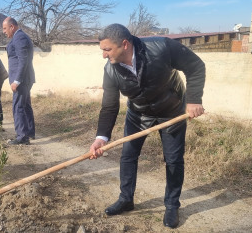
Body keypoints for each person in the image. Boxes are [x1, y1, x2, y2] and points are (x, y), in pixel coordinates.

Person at [88, 24, 205, 229]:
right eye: (102, 50)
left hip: (172, 111)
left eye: (107, 50)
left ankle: (171, 205)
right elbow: (109, 105)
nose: (104, 55)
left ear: (124, 44)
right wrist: (101, 138)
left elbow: (195, 66)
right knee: (128, 156)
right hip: (138, 114)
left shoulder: (161, 48)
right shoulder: (111, 70)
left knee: (174, 160)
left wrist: (194, 100)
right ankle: (126, 199)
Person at [2, 17, 35, 145]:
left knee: (18, 107)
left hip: (21, 80)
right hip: (24, 79)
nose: (4, 31)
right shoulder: (19, 37)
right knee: (25, 105)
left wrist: (17, 80)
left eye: (5, 28)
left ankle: (22, 137)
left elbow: (23, 60)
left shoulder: (19, 37)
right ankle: (29, 132)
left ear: (12, 26)